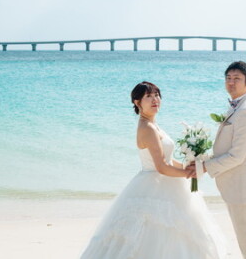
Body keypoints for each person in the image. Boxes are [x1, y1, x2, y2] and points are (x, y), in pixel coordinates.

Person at [79, 81, 225, 259]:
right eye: (148, 96)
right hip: (154, 184)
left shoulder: (153, 125)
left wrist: (191, 166)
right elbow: (162, 167)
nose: (155, 99)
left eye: (157, 95)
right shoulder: (147, 128)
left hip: (163, 183)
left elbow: (169, 160)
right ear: (137, 102)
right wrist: (189, 174)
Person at [192, 61, 246, 259]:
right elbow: (227, 148)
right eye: (228, 78)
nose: (231, 82)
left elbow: (237, 156)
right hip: (238, 187)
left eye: (237, 79)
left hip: (244, 189)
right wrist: (199, 159)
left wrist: (204, 167)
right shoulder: (238, 107)